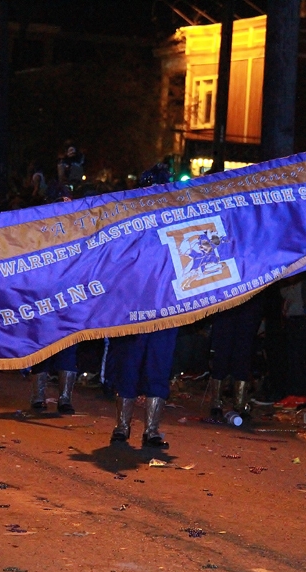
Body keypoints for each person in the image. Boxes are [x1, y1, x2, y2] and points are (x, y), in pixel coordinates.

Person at [109, 164, 177, 449]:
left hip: (166, 309)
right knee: (129, 365)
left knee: (158, 368)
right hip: (134, 309)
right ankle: (122, 427)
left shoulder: (176, 222)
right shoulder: (128, 225)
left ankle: (151, 430)